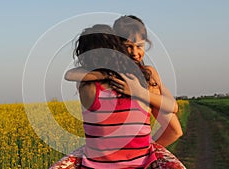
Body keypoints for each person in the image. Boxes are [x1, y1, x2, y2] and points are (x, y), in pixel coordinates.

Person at [65, 15, 183, 147]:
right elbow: (70, 74)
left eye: (140, 46)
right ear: (117, 45)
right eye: (128, 46)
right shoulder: (140, 75)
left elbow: (174, 108)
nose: (134, 52)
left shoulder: (148, 75)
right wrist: (109, 74)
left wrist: (138, 92)